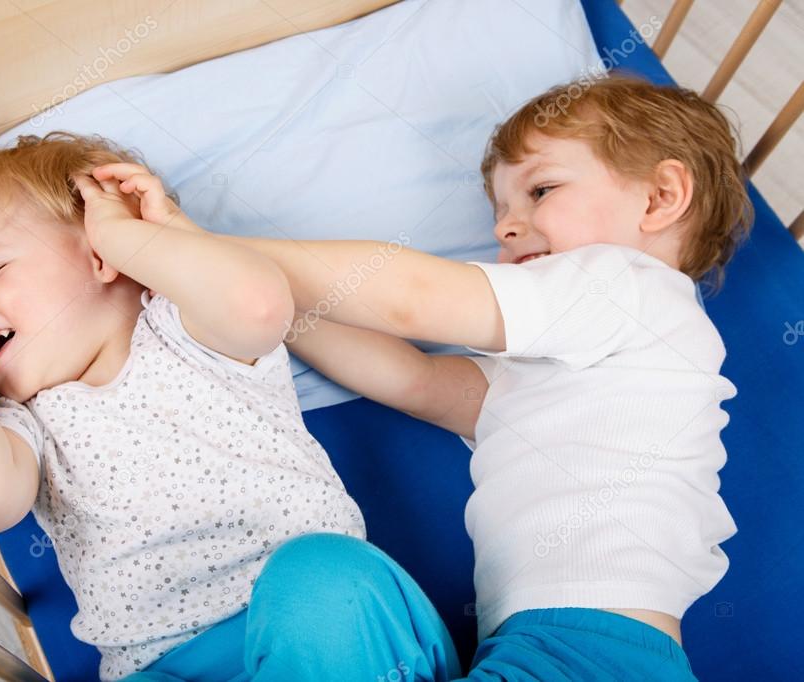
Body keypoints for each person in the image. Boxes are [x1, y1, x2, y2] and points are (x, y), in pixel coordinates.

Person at [188, 75, 751, 680]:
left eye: (540, 189)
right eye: (500, 211)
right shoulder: (569, 365)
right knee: (318, 580)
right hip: (529, 652)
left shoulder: (631, 287)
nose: (504, 229)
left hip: (593, 653)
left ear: (661, 196)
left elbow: (412, 297)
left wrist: (202, 249)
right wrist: (262, 299)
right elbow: (414, 379)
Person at [0, 132, 459, 681]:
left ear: (102, 253)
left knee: (324, 576)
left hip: (322, 633)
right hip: (161, 663)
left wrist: (135, 236)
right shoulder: (21, 425)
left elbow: (260, 303)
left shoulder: (188, 329)